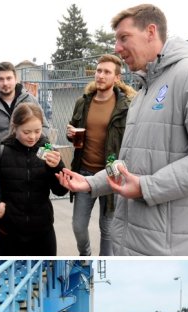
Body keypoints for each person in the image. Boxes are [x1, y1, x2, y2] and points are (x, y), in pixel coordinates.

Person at [57, 4, 188, 256]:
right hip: (139, 243)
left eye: (124, 38)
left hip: (174, 250)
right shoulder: (145, 90)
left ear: (150, 31)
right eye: (116, 40)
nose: (117, 48)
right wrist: (91, 182)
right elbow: (132, 162)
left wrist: (148, 187)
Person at [0, 103, 68, 255]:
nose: (32, 137)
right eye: (26, 132)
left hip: (43, 232)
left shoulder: (49, 151)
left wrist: (56, 168)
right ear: (14, 127)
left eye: (37, 131)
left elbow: (61, 190)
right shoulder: (0, 152)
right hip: (8, 232)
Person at [67, 54, 135, 256]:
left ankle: (106, 264)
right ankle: (85, 254)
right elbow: (74, 130)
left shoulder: (127, 106)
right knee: (78, 226)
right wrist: (70, 134)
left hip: (112, 173)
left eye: (107, 72)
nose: (101, 75)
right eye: (98, 71)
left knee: (108, 229)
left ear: (117, 78)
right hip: (84, 173)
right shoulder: (83, 102)